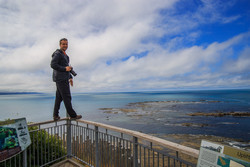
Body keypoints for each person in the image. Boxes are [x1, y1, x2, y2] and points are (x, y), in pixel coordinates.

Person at [50, 38, 82, 121]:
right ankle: (73, 115)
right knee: (67, 97)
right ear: (60, 45)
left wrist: (70, 77)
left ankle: (55, 115)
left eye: (66, 44)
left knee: (59, 98)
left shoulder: (66, 56)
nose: (65, 45)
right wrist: (65, 69)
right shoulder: (57, 53)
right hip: (60, 79)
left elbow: (67, 68)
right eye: (63, 44)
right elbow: (53, 64)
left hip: (63, 78)